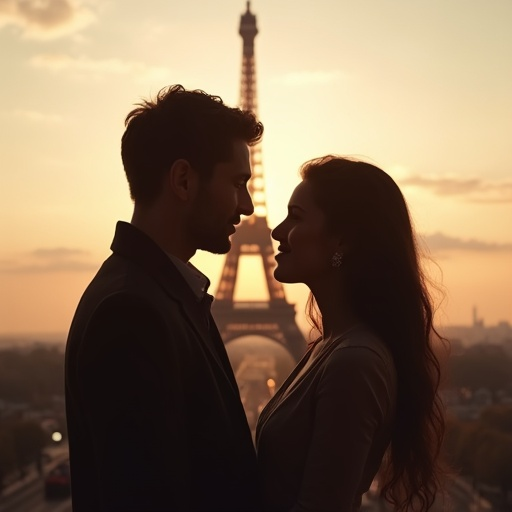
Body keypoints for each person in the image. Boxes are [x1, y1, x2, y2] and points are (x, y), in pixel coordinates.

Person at [65, 84, 264, 512]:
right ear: (183, 180)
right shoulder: (131, 314)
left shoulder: (151, 294)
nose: (247, 206)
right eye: (236, 183)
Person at [256, 156, 446, 512]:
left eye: (295, 216)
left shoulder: (354, 361)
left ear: (342, 240)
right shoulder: (330, 348)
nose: (277, 231)